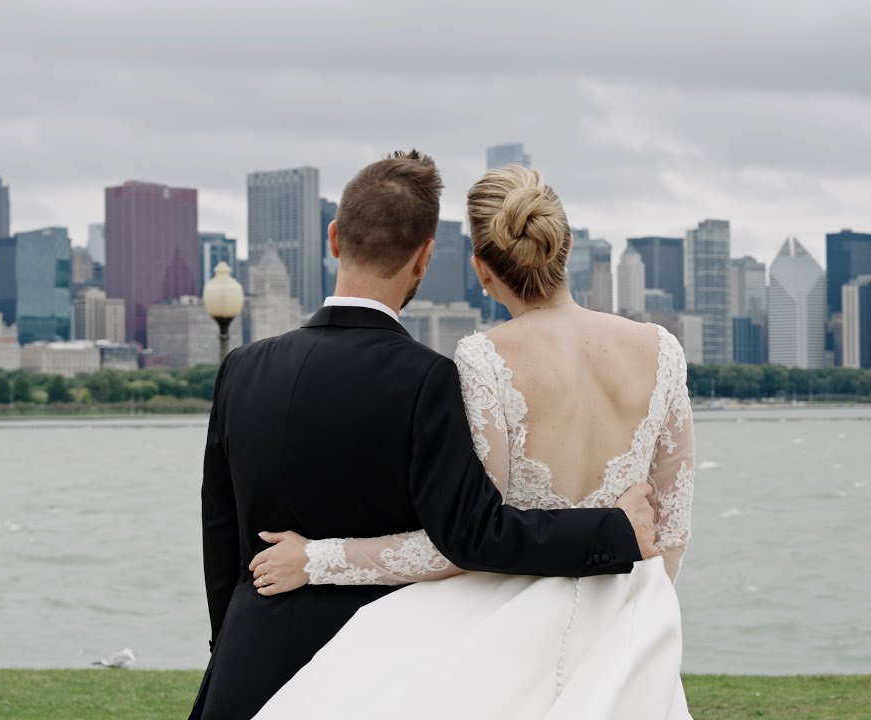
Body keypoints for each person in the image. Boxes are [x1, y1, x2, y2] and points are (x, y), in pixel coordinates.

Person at [190, 151, 661, 720]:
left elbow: (220, 535)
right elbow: (473, 533)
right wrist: (614, 529)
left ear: (334, 238)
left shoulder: (240, 369)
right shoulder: (428, 379)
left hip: (244, 667)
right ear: (424, 259)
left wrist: (228, 647)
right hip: (373, 669)